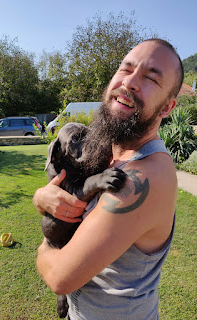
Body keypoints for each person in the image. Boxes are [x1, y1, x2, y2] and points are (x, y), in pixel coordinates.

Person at [33, 38, 184, 320]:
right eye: (125, 69)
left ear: (166, 108)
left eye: (151, 77)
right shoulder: (110, 151)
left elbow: (59, 278)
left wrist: (44, 248)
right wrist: (42, 198)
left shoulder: (144, 176)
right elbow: (68, 187)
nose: (130, 82)